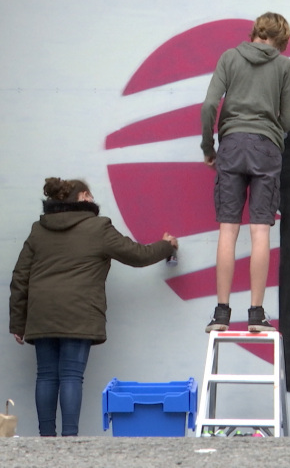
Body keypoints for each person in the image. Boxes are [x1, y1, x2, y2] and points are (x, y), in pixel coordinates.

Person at [9, 177, 178, 437]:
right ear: (84, 196)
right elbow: (137, 255)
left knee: (45, 376)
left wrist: (18, 322)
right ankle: (69, 440)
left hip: (41, 312)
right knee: (70, 376)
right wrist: (167, 245)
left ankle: (44, 440)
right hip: (79, 312)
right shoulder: (98, 227)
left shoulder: (38, 230)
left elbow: (20, 276)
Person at [200, 11, 290, 333]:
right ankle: (256, 313)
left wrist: (208, 146)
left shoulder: (230, 57)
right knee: (260, 231)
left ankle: (221, 313)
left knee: (228, 230)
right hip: (266, 148)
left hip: (230, 145)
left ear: (256, 31)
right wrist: (270, 132)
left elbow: (209, 105)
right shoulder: (284, 66)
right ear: (281, 40)